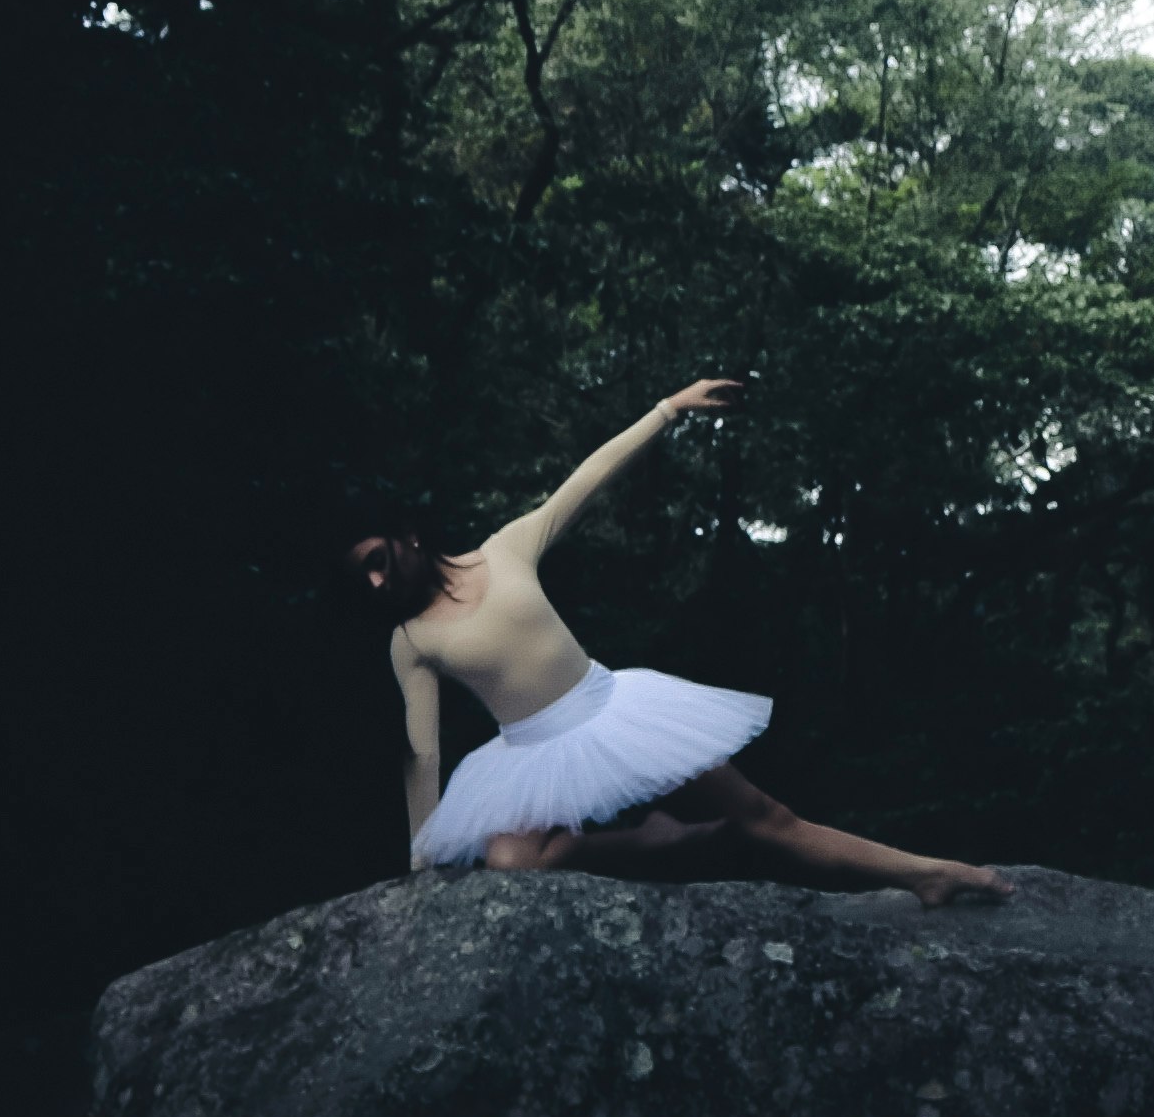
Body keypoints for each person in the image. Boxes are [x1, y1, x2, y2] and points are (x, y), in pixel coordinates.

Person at [353, 377, 1009, 903]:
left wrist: (669, 408)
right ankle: (660, 843)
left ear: (409, 536)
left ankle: (927, 873)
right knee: (511, 864)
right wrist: (419, 860)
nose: (378, 580)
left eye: (380, 558)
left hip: (616, 713)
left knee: (765, 817)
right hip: (530, 757)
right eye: (365, 575)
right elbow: (422, 752)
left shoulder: (504, 551)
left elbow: (588, 479)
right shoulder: (409, 638)